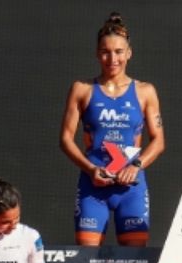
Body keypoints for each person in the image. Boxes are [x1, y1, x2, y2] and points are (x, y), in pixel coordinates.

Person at [59, 12, 164, 247]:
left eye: (118, 52)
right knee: (85, 262)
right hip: (93, 187)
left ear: (129, 53)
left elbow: (158, 141)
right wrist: (90, 169)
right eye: (106, 52)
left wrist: (136, 166)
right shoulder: (82, 89)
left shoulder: (145, 91)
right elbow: (65, 139)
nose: (112, 59)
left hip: (131, 188)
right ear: (97, 54)